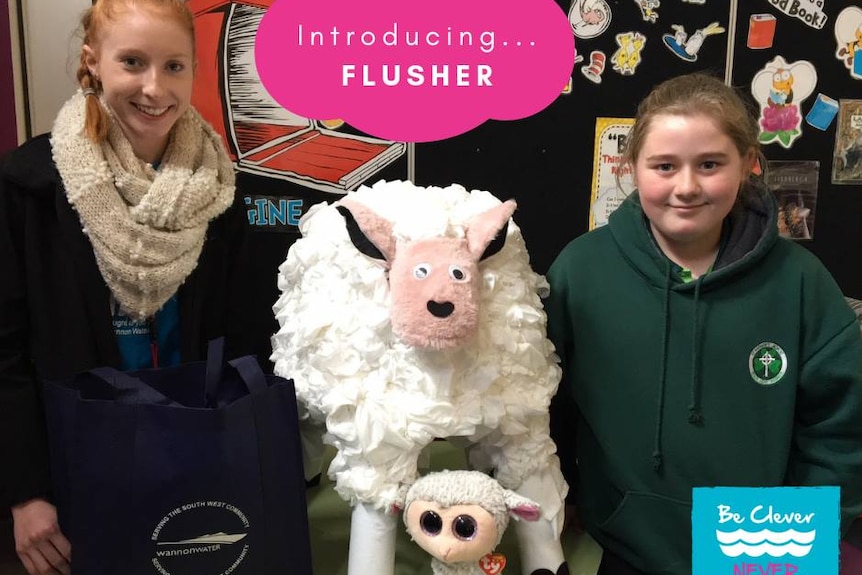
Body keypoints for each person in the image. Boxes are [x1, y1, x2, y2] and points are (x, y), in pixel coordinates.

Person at [546, 73, 862, 575]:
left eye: (710, 164)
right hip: (620, 541)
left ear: (748, 165)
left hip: (760, 546)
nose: (687, 187)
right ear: (631, 169)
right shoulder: (581, 271)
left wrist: (800, 539)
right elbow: (545, 405)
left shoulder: (801, 283)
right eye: (664, 166)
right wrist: (556, 499)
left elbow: (840, 430)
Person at [0, 1, 257, 573]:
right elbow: (6, 351)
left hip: (194, 459)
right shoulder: (29, 185)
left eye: (173, 66)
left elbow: (243, 340)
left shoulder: (217, 190)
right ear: (93, 63)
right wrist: (25, 492)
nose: (153, 88)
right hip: (70, 472)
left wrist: (235, 454)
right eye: (132, 62)